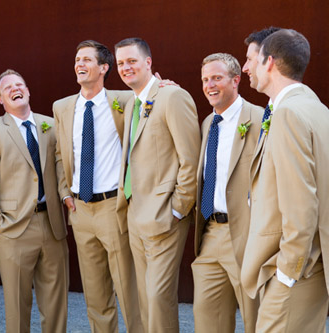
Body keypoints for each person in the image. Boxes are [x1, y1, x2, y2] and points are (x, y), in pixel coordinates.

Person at [241, 29, 329, 332]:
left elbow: (301, 202)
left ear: (269, 62)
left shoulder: (289, 114)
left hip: (297, 271)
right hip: (315, 266)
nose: (246, 68)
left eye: (250, 60)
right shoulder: (317, 109)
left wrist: (287, 272)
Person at [53, 40, 143, 332]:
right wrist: (65, 192)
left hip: (112, 207)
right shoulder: (62, 107)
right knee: (95, 295)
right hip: (80, 210)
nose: (80, 64)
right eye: (77, 59)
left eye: (87, 60)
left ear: (104, 67)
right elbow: (60, 153)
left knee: (128, 291)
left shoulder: (125, 100)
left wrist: (164, 85)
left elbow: (153, 98)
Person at [115, 37, 200, 332]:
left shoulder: (172, 97)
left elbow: (189, 159)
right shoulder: (131, 104)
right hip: (134, 214)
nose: (126, 67)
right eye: (120, 63)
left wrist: (178, 210)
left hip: (164, 216)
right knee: (144, 299)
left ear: (148, 62)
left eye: (132, 61)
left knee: (158, 298)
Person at [0, 69, 68, 332]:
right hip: (13, 229)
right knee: (17, 305)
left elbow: (63, 164)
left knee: (56, 303)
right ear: (0, 99)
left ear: (27, 91)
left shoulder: (50, 125)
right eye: (8, 88)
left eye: (20, 85)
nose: (15, 89)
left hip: (52, 224)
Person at [192, 53, 262, 332]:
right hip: (210, 234)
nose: (210, 85)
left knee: (256, 320)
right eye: (205, 79)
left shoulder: (260, 119)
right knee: (207, 319)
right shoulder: (208, 124)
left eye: (217, 78)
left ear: (236, 80)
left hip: (247, 235)